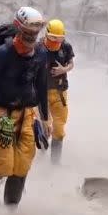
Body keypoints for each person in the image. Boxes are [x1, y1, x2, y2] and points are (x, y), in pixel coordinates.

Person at [0, 6, 52, 210]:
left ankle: (10, 212)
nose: (32, 37)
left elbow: (41, 86)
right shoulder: (3, 53)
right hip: (1, 114)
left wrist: (45, 117)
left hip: (26, 114)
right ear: (18, 29)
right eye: (27, 32)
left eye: (35, 32)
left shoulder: (41, 53)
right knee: (4, 165)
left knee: (23, 164)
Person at [42, 19, 75, 165]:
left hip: (60, 93)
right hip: (40, 94)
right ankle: (41, 147)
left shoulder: (66, 47)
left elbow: (71, 64)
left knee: (59, 129)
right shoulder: (38, 48)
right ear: (46, 34)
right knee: (44, 125)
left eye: (60, 38)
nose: (56, 42)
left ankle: (54, 163)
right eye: (53, 38)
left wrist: (64, 69)